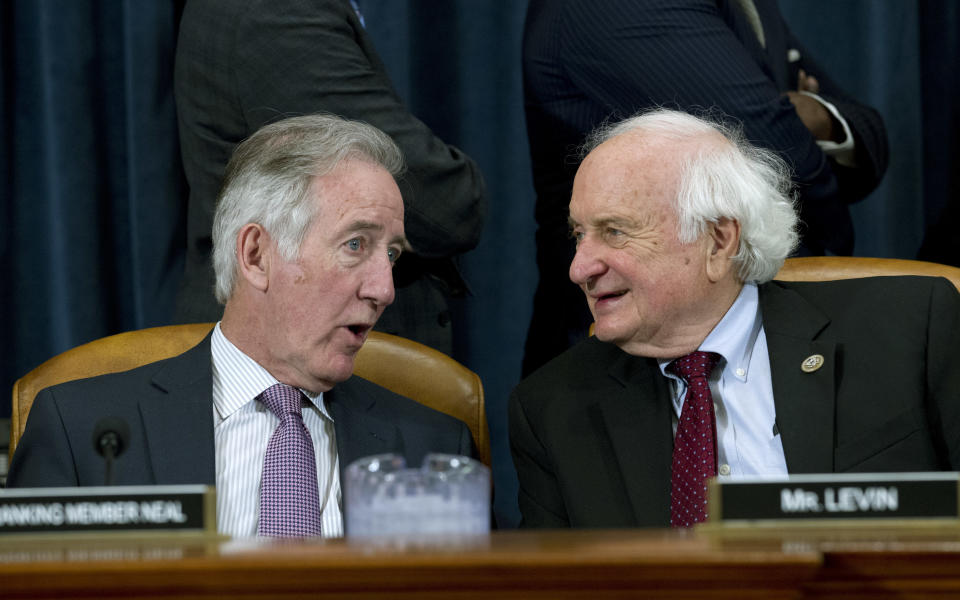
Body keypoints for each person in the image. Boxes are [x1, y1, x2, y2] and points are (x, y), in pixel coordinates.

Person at [8, 115, 475, 538]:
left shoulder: (434, 449)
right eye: (356, 244)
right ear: (255, 255)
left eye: (391, 254)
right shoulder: (81, 432)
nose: (385, 289)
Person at [509, 109, 960, 529]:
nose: (579, 267)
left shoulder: (912, 327)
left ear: (718, 241)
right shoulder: (553, 408)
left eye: (615, 231)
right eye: (578, 234)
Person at [520, 0, 889, 375]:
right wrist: (793, 124)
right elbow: (781, 154)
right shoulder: (617, 8)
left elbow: (868, 141)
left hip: (767, 341)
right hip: (628, 371)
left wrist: (816, 114)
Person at [174, 0, 486, 356]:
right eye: (357, 245)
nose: (383, 288)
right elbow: (446, 207)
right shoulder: (277, 14)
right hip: (291, 358)